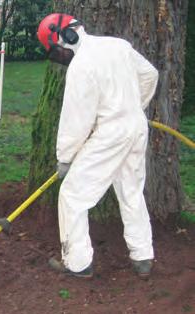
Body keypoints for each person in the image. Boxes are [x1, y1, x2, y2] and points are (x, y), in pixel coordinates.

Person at [36, 13, 159, 278]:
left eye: (56, 52)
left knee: (71, 195)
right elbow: (150, 74)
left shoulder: (81, 65)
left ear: (65, 38)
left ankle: (78, 264)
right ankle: (143, 257)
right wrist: (135, 108)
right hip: (137, 128)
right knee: (131, 191)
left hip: (111, 135)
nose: (60, 59)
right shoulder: (118, 45)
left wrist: (65, 159)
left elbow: (75, 120)